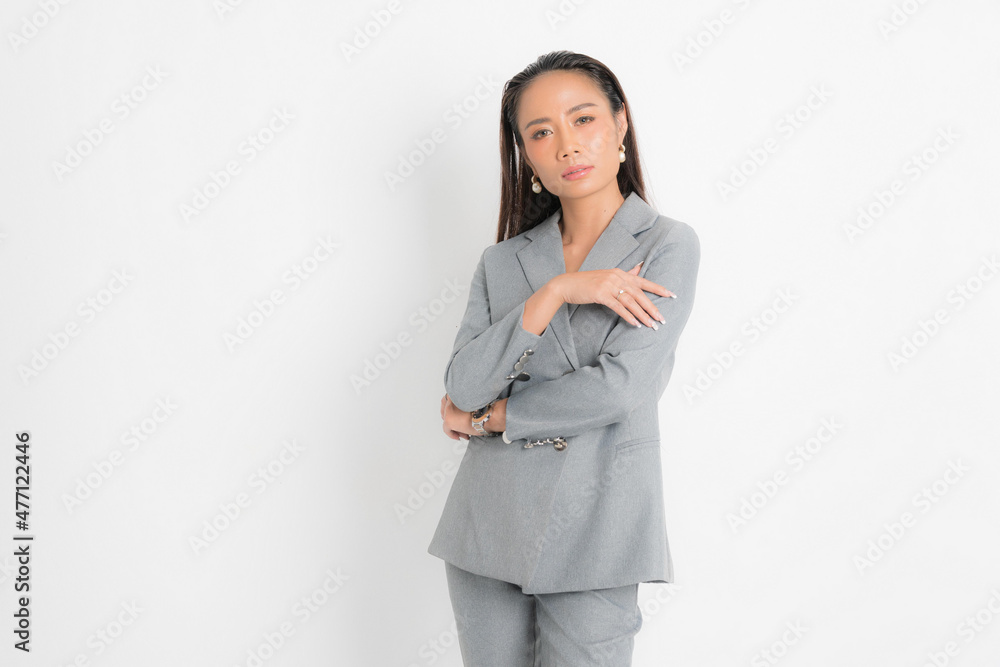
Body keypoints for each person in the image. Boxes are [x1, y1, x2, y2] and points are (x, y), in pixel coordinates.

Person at [427, 50, 701, 665]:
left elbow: (619, 388)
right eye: (541, 132)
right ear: (526, 154)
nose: (567, 145)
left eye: (583, 119)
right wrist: (555, 291)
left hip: (600, 523)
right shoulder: (503, 262)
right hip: (488, 521)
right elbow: (463, 385)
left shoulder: (667, 244)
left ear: (620, 123)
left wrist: (493, 419)